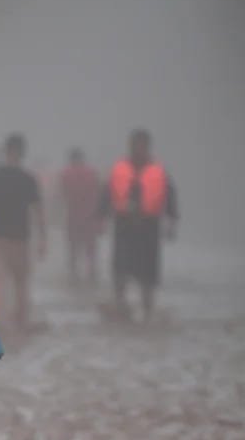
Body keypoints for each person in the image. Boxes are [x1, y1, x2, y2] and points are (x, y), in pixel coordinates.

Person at [100, 128, 178, 321]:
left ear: (148, 147)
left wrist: (172, 223)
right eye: (136, 144)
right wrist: (101, 217)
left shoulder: (158, 171)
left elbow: (170, 198)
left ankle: (147, 314)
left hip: (148, 228)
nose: (139, 149)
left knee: (148, 276)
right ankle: (120, 308)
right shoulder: (119, 170)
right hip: (124, 226)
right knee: (120, 271)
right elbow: (107, 194)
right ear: (130, 146)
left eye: (142, 145)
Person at [0, 133, 45, 333]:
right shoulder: (27, 179)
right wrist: (42, 239)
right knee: (20, 281)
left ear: (5, 151)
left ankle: (0, 322)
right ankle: (20, 322)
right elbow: (38, 211)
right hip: (19, 237)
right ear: (22, 152)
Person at [61, 147, 103, 286]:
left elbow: (61, 195)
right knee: (90, 247)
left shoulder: (66, 174)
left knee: (73, 247)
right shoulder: (92, 173)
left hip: (73, 215)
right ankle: (91, 274)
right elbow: (100, 193)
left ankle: (74, 275)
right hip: (90, 216)